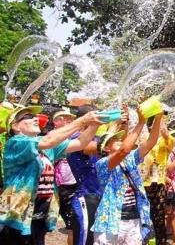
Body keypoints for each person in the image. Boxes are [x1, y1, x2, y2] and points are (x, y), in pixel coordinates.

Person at [0, 103, 101, 245]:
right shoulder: (15, 143)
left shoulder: (46, 149)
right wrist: (83, 120)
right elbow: (49, 140)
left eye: (35, 116)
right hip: (17, 213)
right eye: (28, 117)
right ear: (15, 127)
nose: (35, 118)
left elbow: (80, 143)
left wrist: (94, 124)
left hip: (39, 213)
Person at [92, 105, 163, 245]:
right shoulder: (102, 164)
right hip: (110, 222)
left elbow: (150, 143)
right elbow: (123, 151)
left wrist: (158, 117)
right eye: (115, 140)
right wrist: (141, 123)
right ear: (106, 148)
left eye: (120, 139)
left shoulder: (129, 159)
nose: (120, 140)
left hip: (134, 220)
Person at [66, 105, 105, 245]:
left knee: (96, 238)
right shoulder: (76, 138)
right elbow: (93, 147)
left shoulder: (97, 138)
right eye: (96, 116)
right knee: (84, 238)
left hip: (98, 194)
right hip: (86, 196)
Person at [139, 118, 175, 245]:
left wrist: (166, 135)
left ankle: (161, 242)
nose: (160, 127)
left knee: (159, 215)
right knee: (143, 213)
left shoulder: (165, 141)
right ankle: (144, 240)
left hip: (159, 182)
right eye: (157, 125)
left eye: (162, 125)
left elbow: (171, 144)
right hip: (144, 182)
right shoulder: (144, 139)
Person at [52, 107, 78, 245]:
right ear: (55, 121)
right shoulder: (51, 137)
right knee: (71, 225)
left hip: (75, 184)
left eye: (70, 118)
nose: (69, 121)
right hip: (60, 186)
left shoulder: (75, 136)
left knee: (74, 224)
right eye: (64, 118)